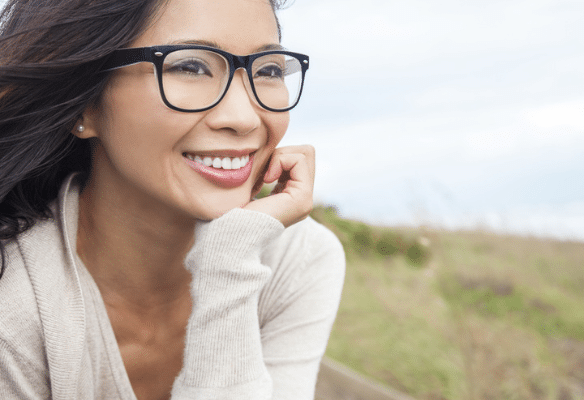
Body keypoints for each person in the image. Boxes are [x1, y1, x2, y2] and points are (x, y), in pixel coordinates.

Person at [0, 0, 346, 398]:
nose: (245, 117)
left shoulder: (297, 259)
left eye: (267, 70)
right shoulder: (14, 303)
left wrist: (229, 259)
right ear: (85, 104)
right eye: (190, 67)